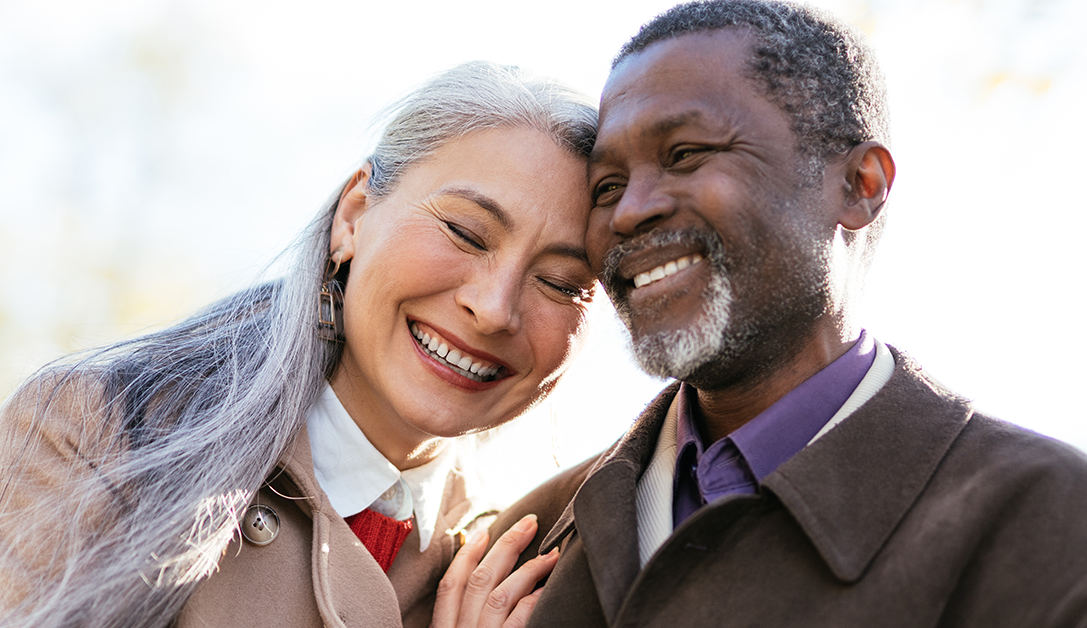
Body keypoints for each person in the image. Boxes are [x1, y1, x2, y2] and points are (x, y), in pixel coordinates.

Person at [436, 2, 1087, 627]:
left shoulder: (1047, 520)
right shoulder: (520, 551)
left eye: (685, 153)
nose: (630, 211)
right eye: (606, 188)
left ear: (859, 185)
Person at [0, 61, 597, 628]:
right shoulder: (101, 436)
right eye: (465, 233)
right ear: (353, 216)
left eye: (563, 283)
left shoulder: (526, 564)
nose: (493, 307)